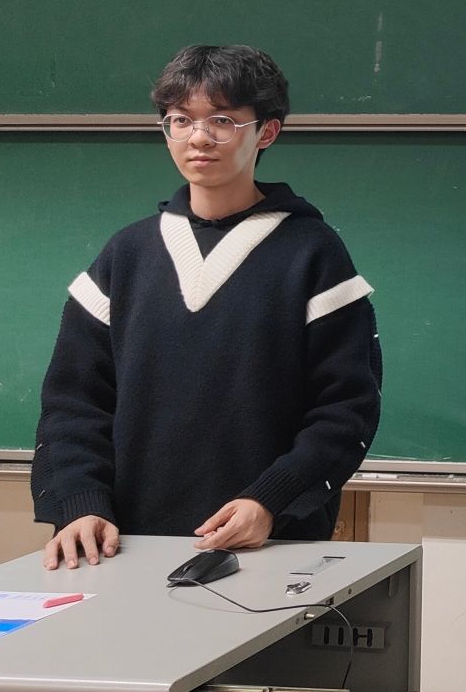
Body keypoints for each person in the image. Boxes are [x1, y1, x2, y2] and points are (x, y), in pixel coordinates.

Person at [32, 45, 382, 569]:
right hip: (121, 546)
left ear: (266, 132)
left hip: (267, 544)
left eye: (222, 120)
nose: (198, 137)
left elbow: (345, 408)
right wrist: (81, 503)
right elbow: (74, 401)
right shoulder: (127, 254)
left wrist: (270, 500)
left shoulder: (312, 254)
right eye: (180, 120)